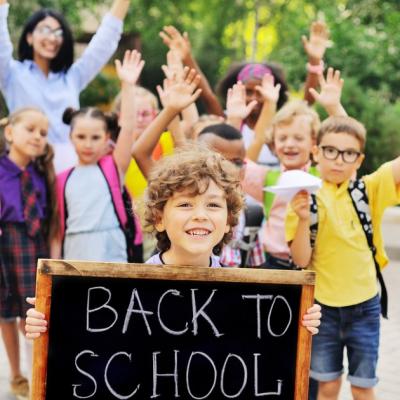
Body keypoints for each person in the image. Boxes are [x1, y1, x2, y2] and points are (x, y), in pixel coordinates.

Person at [26, 145, 322, 340]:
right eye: (184, 205)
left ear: (230, 220)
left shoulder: (249, 298)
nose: (200, 216)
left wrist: (296, 326)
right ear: (158, 219)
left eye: (213, 206)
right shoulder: (123, 295)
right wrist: (50, 325)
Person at [286, 115, 400, 400]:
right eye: (330, 150)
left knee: (363, 387)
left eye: (348, 153)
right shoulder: (304, 197)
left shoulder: (369, 189)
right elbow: (300, 260)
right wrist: (302, 219)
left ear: (359, 160)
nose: (338, 160)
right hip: (322, 309)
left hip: (365, 307)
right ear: (316, 152)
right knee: (327, 387)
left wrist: (335, 106)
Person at [0, 0, 131, 172]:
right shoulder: (12, 74)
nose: (52, 37)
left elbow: (103, 44)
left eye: (58, 32)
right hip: (27, 168)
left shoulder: (71, 77)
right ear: (29, 37)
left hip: (68, 169)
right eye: (45, 29)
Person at [242, 68, 346, 270]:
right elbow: (237, 164)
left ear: (314, 143)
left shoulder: (325, 176)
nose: (289, 144)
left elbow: (347, 145)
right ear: (272, 144)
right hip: (273, 265)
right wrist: (269, 106)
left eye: (298, 138)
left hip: (315, 266)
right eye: (282, 138)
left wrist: (334, 107)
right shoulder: (267, 178)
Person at [52, 50, 144, 262]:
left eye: (95, 137)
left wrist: (128, 86)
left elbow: (128, 127)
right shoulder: (61, 179)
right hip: (75, 257)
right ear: (71, 137)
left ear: (106, 138)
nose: (88, 144)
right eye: (81, 136)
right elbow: (57, 232)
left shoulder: (113, 166)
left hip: (114, 255)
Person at [217, 20, 331, 166]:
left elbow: (306, 103)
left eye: (260, 92)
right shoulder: (230, 121)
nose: (254, 98)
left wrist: (314, 61)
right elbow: (207, 96)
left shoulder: (281, 120)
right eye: (248, 92)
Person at [0, 107, 57, 399]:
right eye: (31, 130)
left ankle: (36, 372)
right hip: (4, 244)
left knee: (32, 311)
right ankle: (17, 374)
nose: (38, 137)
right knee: (5, 313)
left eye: (44, 133)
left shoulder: (42, 173)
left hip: (33, 246)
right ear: (10, 133)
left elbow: (49, 218)